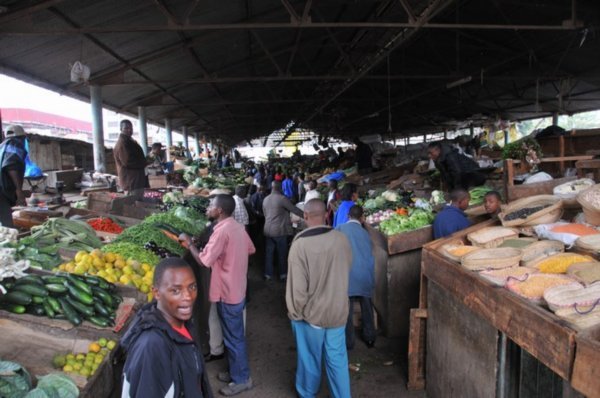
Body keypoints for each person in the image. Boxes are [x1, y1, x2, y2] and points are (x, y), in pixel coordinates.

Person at [181, 194, 255, 396]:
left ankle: (242, 379)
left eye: (211, 205)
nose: (207, 208)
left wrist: (189, 244)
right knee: (233, 335)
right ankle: (235, 371)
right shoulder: (237, 226)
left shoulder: (221, 232)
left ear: (220, 211)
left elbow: (203, 261)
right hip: (238, 287)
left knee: (234, 338)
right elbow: (250, 248)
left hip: (227, 291)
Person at [286, 199, 352, 398]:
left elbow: (297, 288)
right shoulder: (341, 239)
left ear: (305, 216)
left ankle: (307, 393)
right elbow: (347, 268)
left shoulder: (299, 246)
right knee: (337, 359)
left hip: (311, 315)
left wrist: (295, 313)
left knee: (309, 359)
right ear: (327, 213)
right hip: (338, 311)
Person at [119, 257, 213, 398]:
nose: (188, 296)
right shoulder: (152, 347)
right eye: (176, 291)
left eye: (192, 287)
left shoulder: (184, 325)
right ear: (156, 293)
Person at [336, 205, 376, 350]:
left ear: (348, 216)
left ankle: (349, 343)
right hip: (365, 276)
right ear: (362, 218)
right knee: (367, 306)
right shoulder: (366, 233)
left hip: (347, 276)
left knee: (346, 309)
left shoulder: (339, 229)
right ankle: (370, 338)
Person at [262, 181, 304, 281]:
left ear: (272, 188)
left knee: (269, 253)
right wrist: (307, 215)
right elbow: (294, 210)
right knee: (282, 253)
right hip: (279, 231)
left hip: (268, 230)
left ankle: (268, 274)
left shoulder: (266, 199)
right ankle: (283, 274)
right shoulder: (282, 198)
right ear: (280, 188)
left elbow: (265, 214)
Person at [0, 125, 28, 227]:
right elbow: (11, 166)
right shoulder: (15, 143)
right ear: (22, 137)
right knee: (7, 226)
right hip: (2, 190)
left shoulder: (2, 145)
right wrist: (19, 191)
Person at [113, 120, 148, 198]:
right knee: (133, 204)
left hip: (136, 181)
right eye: (126, 128)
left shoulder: (129, 141)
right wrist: (144, 162)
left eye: (131, 128)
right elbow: (128, 162)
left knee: (138, 203)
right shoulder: (123, 143)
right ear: (121, 129)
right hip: (131, 182)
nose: (129, 130)